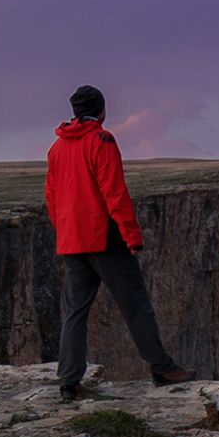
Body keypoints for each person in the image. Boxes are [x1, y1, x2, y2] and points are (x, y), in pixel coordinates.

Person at [47, 86, 195, 397]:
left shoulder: (56, 148)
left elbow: (51, 197)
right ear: (101, 111)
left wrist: (64, 232)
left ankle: (69, 383)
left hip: (72, 241)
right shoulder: (101, 140)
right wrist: (132, 235)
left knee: (75, 312)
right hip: (104, 238)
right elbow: (113, 193)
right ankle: (162, 368)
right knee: (136, 306)